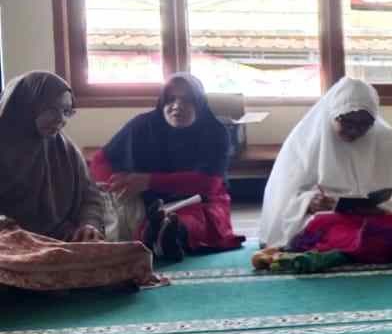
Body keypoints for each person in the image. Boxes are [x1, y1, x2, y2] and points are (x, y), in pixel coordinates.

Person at [256, 77, 392, 269]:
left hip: (376, 218)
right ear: (333, 115)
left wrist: (381, 208)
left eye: (364, 124)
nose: (355, 130)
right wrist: (310, 202)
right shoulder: (308, 140)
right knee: (327, 227)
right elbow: (283, 196)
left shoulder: (382, 136)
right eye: (347, 122)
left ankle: (369, 246)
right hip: (330, 219)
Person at [0, 71, 162, 291]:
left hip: (59, 240)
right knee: (17, 258)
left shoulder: (63, 149)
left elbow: (90, 195)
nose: (61, 120)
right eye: (52, 110)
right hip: (10, 243)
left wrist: (88, 225)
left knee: (135, 255)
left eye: (67, 112)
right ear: (25, 106)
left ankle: (42, 280)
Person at [90, 72, 243, 260]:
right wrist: (114, 186)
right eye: (171, 99)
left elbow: (209, 184)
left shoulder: (215, 132)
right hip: (149, 200)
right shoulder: (142, 125)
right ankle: (156, 237)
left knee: (189, 223)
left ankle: (165, 236)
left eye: (187, 100)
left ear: (199, 103)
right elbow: (100, 160)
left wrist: (149, 180)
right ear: (162, 102)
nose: (177, 106)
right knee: (144, 221)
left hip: (200, 200)